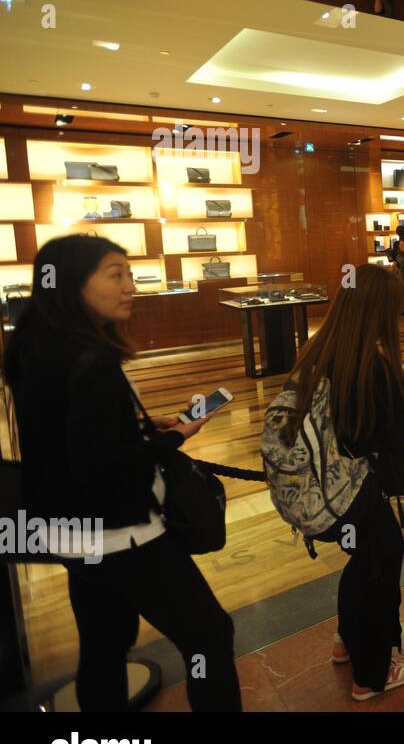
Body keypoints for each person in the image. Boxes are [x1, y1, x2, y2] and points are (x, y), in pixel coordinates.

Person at [4, 235, 240, 711]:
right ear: (73, 283)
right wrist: (175, 437)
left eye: (129, 274)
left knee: (104, 643)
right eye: (116, 274)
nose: (130, 286)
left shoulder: (38, 347)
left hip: (68, 533)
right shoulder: (92, 361)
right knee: (209, 636)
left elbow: (69, 438)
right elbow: (110, 468)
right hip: (122, 536)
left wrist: (135, 425)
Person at [281, 263, 404, 700]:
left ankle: (347, 642)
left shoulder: (319, 350)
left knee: (360, 567)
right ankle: (373, 672)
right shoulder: (371, 365)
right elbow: (391, 432)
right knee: (380, 577)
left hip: (325, 494)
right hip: (364, 496)